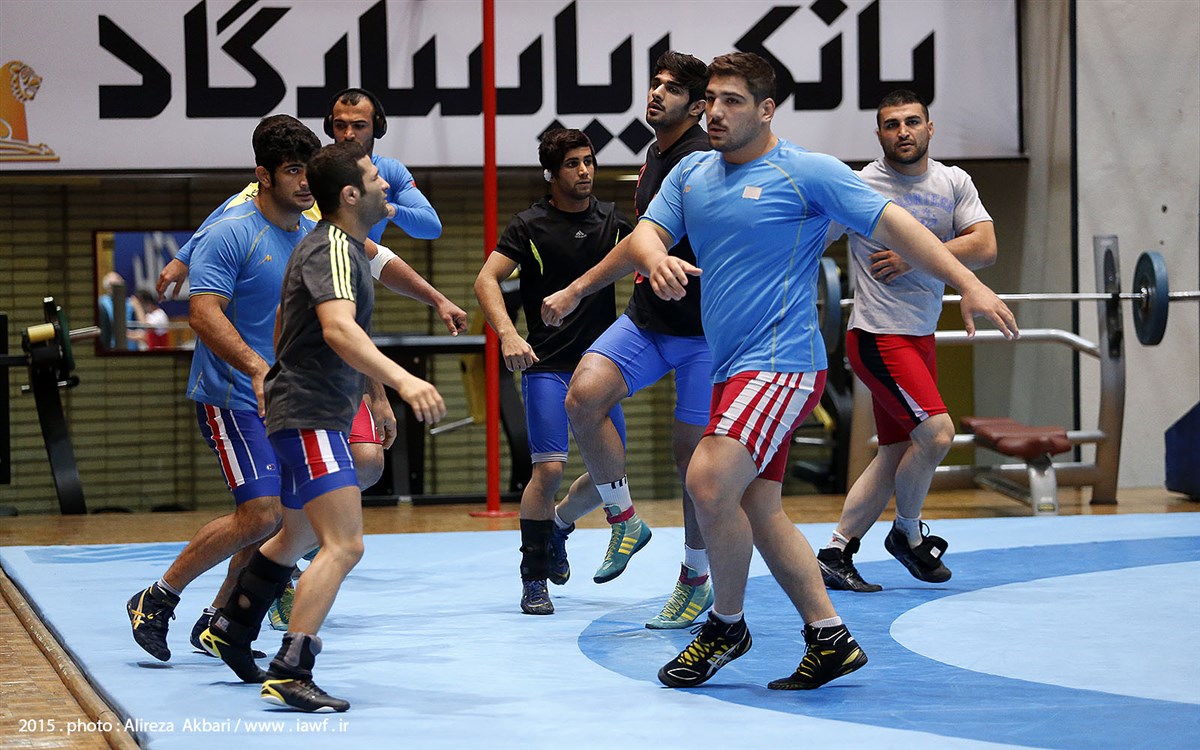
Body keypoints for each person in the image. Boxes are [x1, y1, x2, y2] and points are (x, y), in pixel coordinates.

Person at [622, 52, 1017, 690]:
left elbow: (899, 227)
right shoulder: (691, 172)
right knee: (759, 507)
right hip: (731, 367)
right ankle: (829, 636)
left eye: (731, 101)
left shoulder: (808, 171)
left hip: (782, 364)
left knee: (708, 478)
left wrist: (968, 282)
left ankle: (725, 625)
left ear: (766, 110)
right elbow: (645, 234)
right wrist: (654, 257)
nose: (714, 112)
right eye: (711, 100)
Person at [202, 139, 446, 711]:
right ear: (351, 195)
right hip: (309, 416)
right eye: (375, 177)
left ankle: (230, 626)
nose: (386, 184)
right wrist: (402, 381)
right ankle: (292, 667)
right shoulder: (332, 246)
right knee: (344, 544)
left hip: (306, 411)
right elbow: (337, 328)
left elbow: (286, 316)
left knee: (294, 537)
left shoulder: (333, 244)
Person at [125, 116, 323, 666]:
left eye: (309, 169)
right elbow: (202, 313)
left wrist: (373, 393)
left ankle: (220, 619)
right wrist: (257, 368)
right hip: (232, 396)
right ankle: (157, 598)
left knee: (286, 519)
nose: (306, 181)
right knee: (261, 514)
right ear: (263, 174)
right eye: (293, 170)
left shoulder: (311, 234)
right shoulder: (231, 232)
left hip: (288, 399)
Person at [538, 51, 715, 628]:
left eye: (672, 88)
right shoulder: (656, 154)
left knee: (693, 463)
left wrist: (577, 289)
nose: (657, 93)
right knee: (583, 397)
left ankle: (696, 578)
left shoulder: (700, 160)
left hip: (703, 334)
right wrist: (576, 290)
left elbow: (654, 241)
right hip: (648, 320)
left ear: (698, 106)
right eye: (655, 83)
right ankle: (624, 519)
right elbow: (642, 240)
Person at [816, 90, 997, 592]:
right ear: (879, 134)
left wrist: (913, 253)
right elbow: (812, 242)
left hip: (919, 334)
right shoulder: (860, 185)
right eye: (892, 124)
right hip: (878, 334)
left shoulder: (953, 181)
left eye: (912, 122)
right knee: (936, 435)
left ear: (929, 128)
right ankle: (908, 534)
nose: (903, 132)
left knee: (896, 453)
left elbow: (985, 246)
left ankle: (836, 551)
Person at [474, 128, 632, 616]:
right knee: (548, 469)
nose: (584, 171)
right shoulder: (529, 225)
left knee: (612, 474)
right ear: (551, 173)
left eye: (588, 161)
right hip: (547, 366)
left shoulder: (612, 220)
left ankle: (559, 525)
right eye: (572, 164)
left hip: (600, 370)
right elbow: (486, 279)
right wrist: (508, 334)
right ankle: (534, 578)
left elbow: (652, 251)